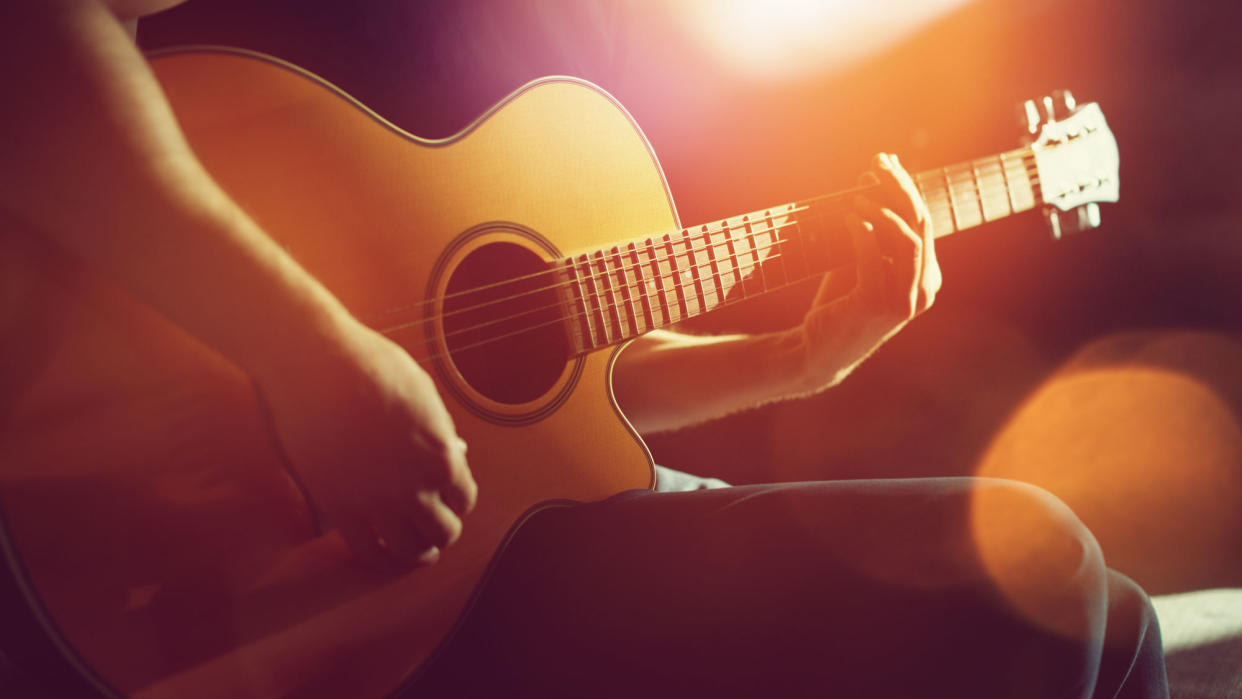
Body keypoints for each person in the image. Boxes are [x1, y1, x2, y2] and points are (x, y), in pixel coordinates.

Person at [0, 1, 1169, 697]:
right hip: (235, 558)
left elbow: (528, 398)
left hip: (460, 553)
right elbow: (33, 46)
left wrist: (797, 361)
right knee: (1040, 568)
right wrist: (301, 354)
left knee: (1120, 623)